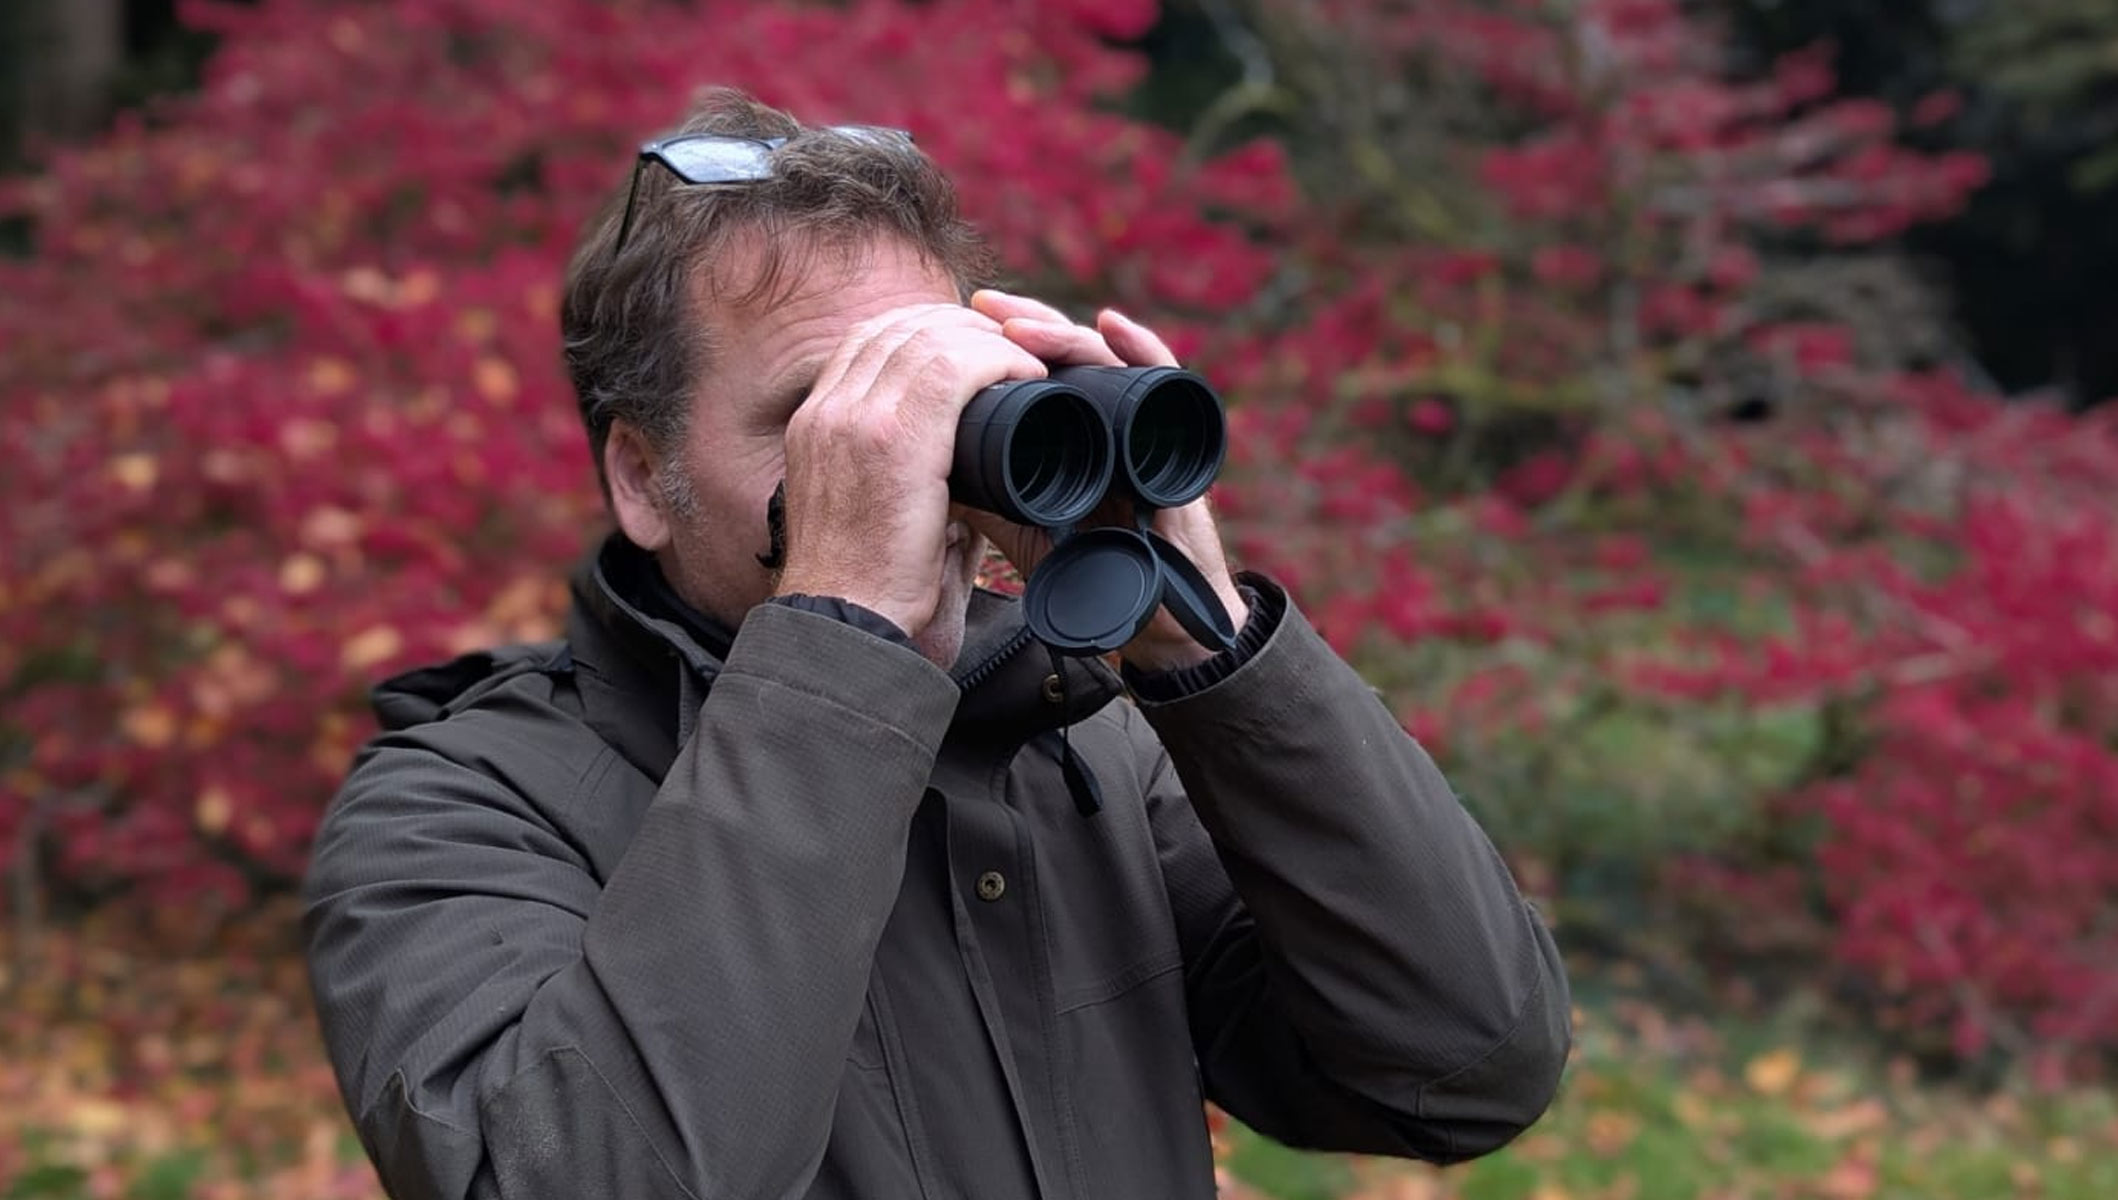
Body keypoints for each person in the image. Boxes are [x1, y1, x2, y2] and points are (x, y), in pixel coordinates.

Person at [302, 87, 1572, 1200]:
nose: (899, 459)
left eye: (935, 404)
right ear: (642, 476)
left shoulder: (1085, 751)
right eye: (824, 416)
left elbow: (1465, 1066)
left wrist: (1205, 649)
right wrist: (844, 638)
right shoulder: (455, 809)